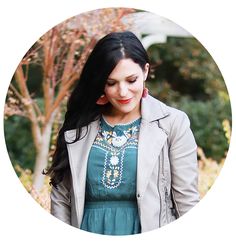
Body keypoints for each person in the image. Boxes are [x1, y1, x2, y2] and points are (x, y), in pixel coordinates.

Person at [45, 31, 200, 235]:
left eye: (131, 80)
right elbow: (61, 198)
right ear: (101, 83)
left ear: (145, 71)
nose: (123, 92)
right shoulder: (79, 125)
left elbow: (187, 202)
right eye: (111, 83)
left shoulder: (173, 124)